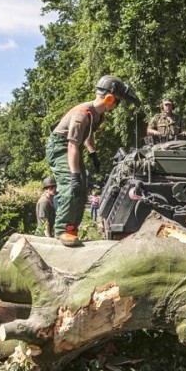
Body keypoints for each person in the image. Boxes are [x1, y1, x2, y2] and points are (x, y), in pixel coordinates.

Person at [46, 75, 139, 246]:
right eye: (117, 101)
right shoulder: (82, 114)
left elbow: (88, 135)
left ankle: (72, 228)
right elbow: (71, 146)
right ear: (109, 98)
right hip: (60, 147)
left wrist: (92, 153)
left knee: (82, 187)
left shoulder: (98, 115)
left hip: (75, 147)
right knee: (70, 185)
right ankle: (61, 230)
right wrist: (74, 175)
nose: (117, 106)